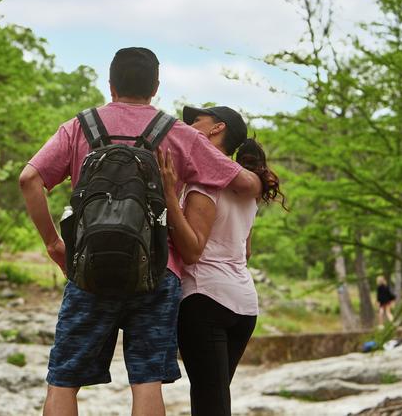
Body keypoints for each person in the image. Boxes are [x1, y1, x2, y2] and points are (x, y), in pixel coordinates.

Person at [19, 48, 261, 416]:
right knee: (146, 381)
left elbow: (29, 179)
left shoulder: (80, 126)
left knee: (64, 381)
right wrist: (259, 176)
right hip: (156, 272)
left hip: (88, 273)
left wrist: (55, 244)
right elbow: (244, 185)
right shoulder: (177, 133)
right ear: (156, 87)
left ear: (111, 84)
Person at [155, 105, 285, 416]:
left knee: (209, 401)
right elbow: (246, 252)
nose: (190, 125)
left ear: (217, 128)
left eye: (198, 119)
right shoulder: (246, 190)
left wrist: (170, 198)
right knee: (214, 398)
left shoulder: (205, 184)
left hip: (205, 300)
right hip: (244, 304)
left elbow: (192, 250)